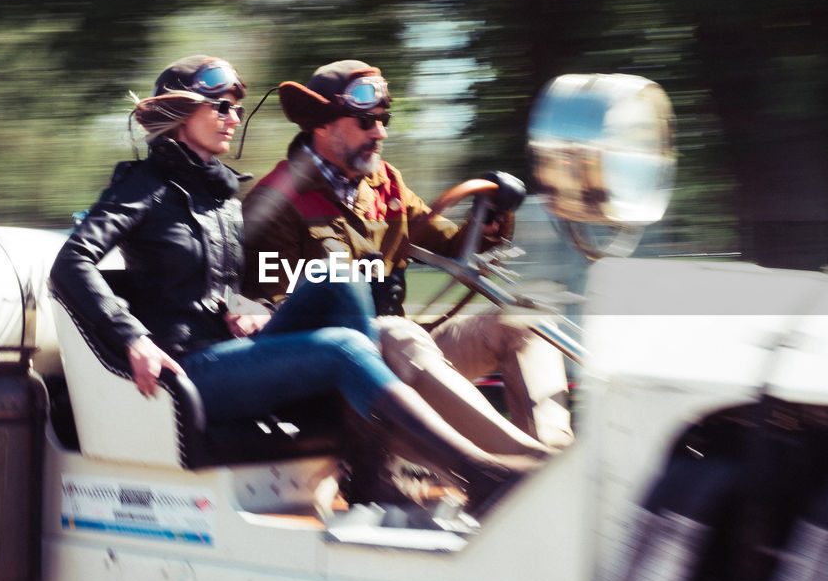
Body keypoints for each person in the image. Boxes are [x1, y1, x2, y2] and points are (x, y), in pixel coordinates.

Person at [49, 55, 538, 515]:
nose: (233, 118)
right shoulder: (143, 187)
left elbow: (234, 280)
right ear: (182, 112)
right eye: (220, 107)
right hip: (187, 367)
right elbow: (72, 262)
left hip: (230, 350)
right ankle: (478, 472)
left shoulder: (218, 193)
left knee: (339, 276)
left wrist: (249, 302)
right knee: (342, 347)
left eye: (236, 108)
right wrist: (132, 338)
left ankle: (369, 470)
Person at [241, 59, 574, 451]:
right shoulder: (277, 200)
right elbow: (278, 319)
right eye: (365, 122)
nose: (379, 132)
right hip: (339, 371)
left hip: (403, 347)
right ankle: (516, 462)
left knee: (526, 319)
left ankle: (555, 450)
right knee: (401, 333)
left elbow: (452, 244)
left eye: (384, 119)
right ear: (322, 124)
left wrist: (488, 222)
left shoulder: (385, 184)